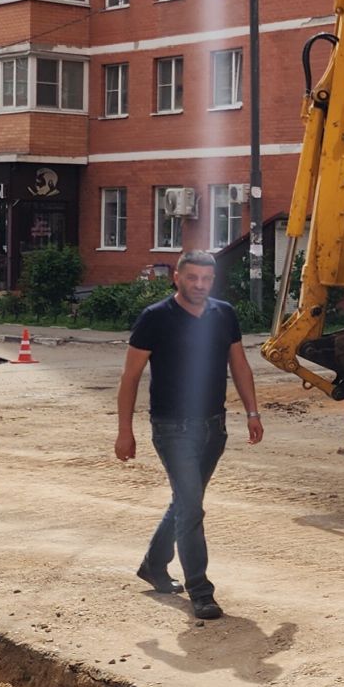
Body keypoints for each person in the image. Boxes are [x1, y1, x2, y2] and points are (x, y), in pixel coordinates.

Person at [114, 251, 261, 620]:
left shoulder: (223, 313)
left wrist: (253, 412)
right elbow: (130, 378)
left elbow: (239, 366)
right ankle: (201, 590)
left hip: (214, 426)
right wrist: (124, 432)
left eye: (206, 279)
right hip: (171, 428)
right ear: (177, 277)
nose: (199, 285)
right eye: (192, 277)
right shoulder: (155, 318)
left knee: (186, 501)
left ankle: (153, 564)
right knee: (192, 506)